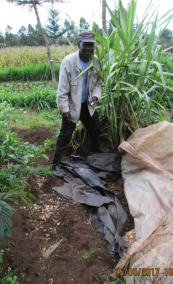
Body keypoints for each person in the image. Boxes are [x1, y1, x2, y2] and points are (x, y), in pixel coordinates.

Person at [52, 31, 105, 178]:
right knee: (65, 135)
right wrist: (65, 109)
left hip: (87, 104)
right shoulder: (68, 62)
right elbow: (62, 89)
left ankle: (93, 152)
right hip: (72, 106)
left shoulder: (95, 61)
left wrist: (95, 96)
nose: (89, 48)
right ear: (78, 45)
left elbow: (98, 82)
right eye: (85, 45)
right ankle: (55, 164)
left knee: (95, 129)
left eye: (91, 45)